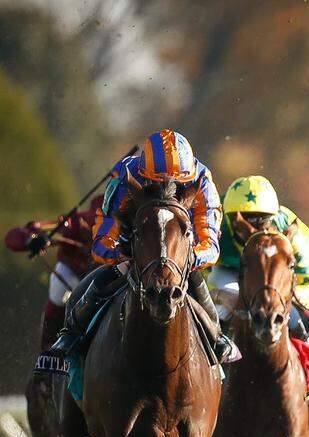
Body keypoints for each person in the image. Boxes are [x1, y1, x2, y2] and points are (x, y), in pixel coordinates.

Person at [44, 129, 236, 362]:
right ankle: (71, 333)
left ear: (189, 177)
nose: (169, 187)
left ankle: (216, 338)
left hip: (181, 250)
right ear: (145, 175)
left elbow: (210, 241)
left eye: (179, 184)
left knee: (195, 280)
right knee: (101, 278)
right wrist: (118, 254)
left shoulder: (202, 180)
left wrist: (191, 259)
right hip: (133, 245)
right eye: (158, 183)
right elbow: (104, 234)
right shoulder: (127, 175)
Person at [208, 175, 309, 338]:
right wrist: (218, 295)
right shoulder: (212, 225)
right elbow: (191, 279)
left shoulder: (297, 235)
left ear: (273, 217)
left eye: (262, 222)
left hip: (273, 282)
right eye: (243, 221)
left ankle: (307, 357)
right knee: (224, 306)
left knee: (294, 321)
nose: (253, 230)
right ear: (229, 218)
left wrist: (291, 293)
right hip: (225, 271)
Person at [5, 198, 101, 351]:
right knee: (59, 289)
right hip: (77, 283)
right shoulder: (75, 223)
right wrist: (31, 239)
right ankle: (48, 352)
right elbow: (11, 238)